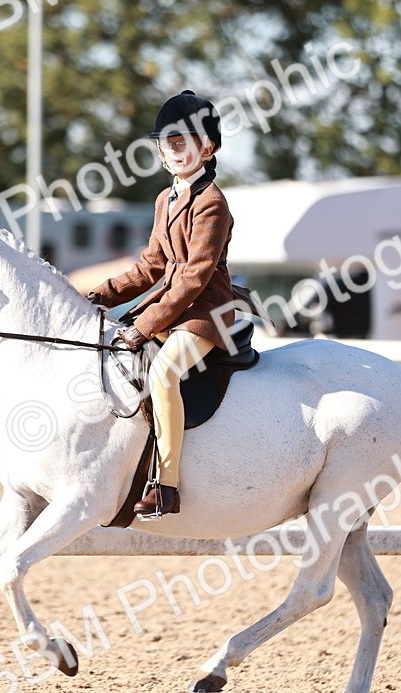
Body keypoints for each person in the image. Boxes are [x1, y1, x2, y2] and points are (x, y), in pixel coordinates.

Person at [87, 90, 235, 517]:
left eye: (178, 144)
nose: (170, 154)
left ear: (207, 148)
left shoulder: (211, 203)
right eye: (164, 146)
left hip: (206, 314)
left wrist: (145, 325)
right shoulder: (165, 199)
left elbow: (192, 278)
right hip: (173, 308)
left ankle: (167, 485)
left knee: (165, 373)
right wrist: (96, 296)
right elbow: (151, 266)